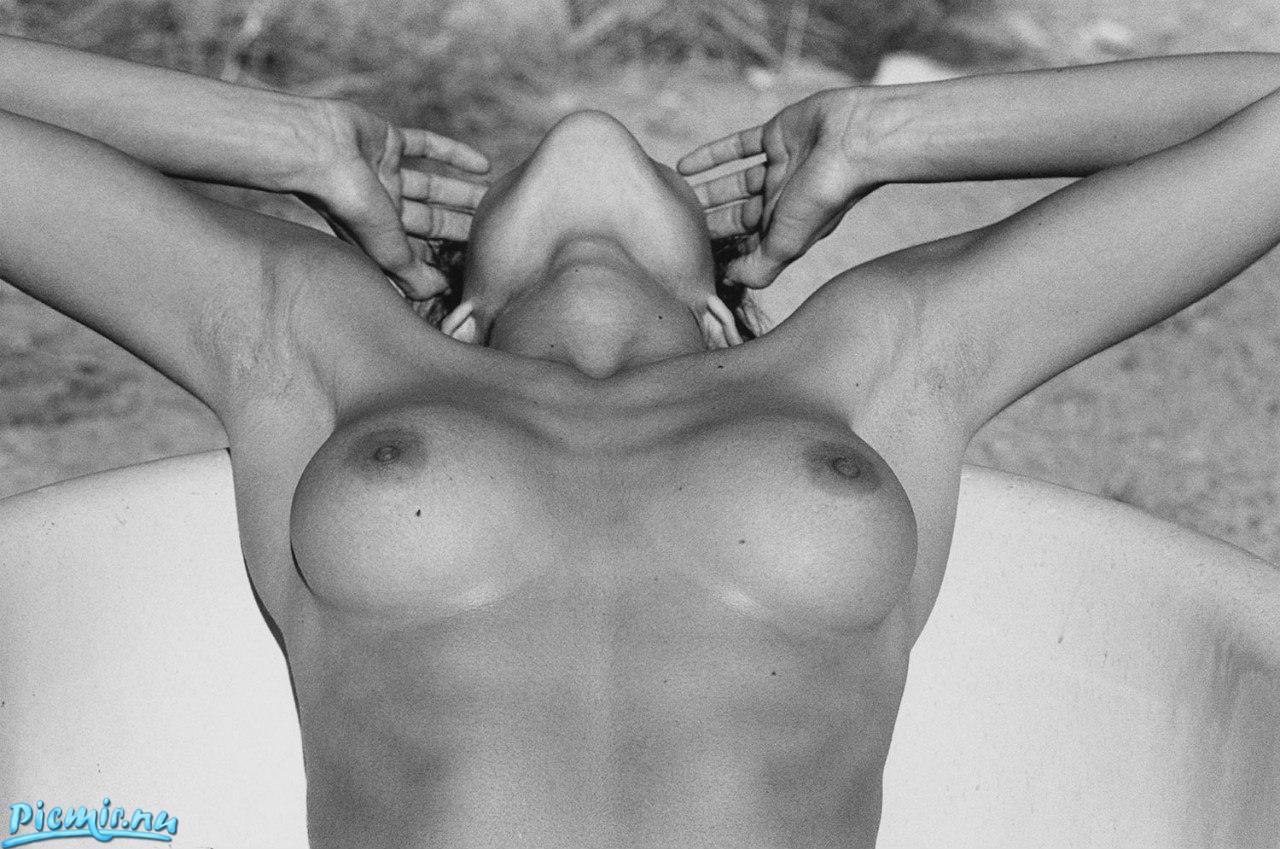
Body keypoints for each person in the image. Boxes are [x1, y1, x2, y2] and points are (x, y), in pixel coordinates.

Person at [3, 31, 1280, 847]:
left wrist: (885, 133)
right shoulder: (316, 341)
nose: (591, 141)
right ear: (456, 305)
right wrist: (284, 139)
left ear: (722, 306)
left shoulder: (875, 359)